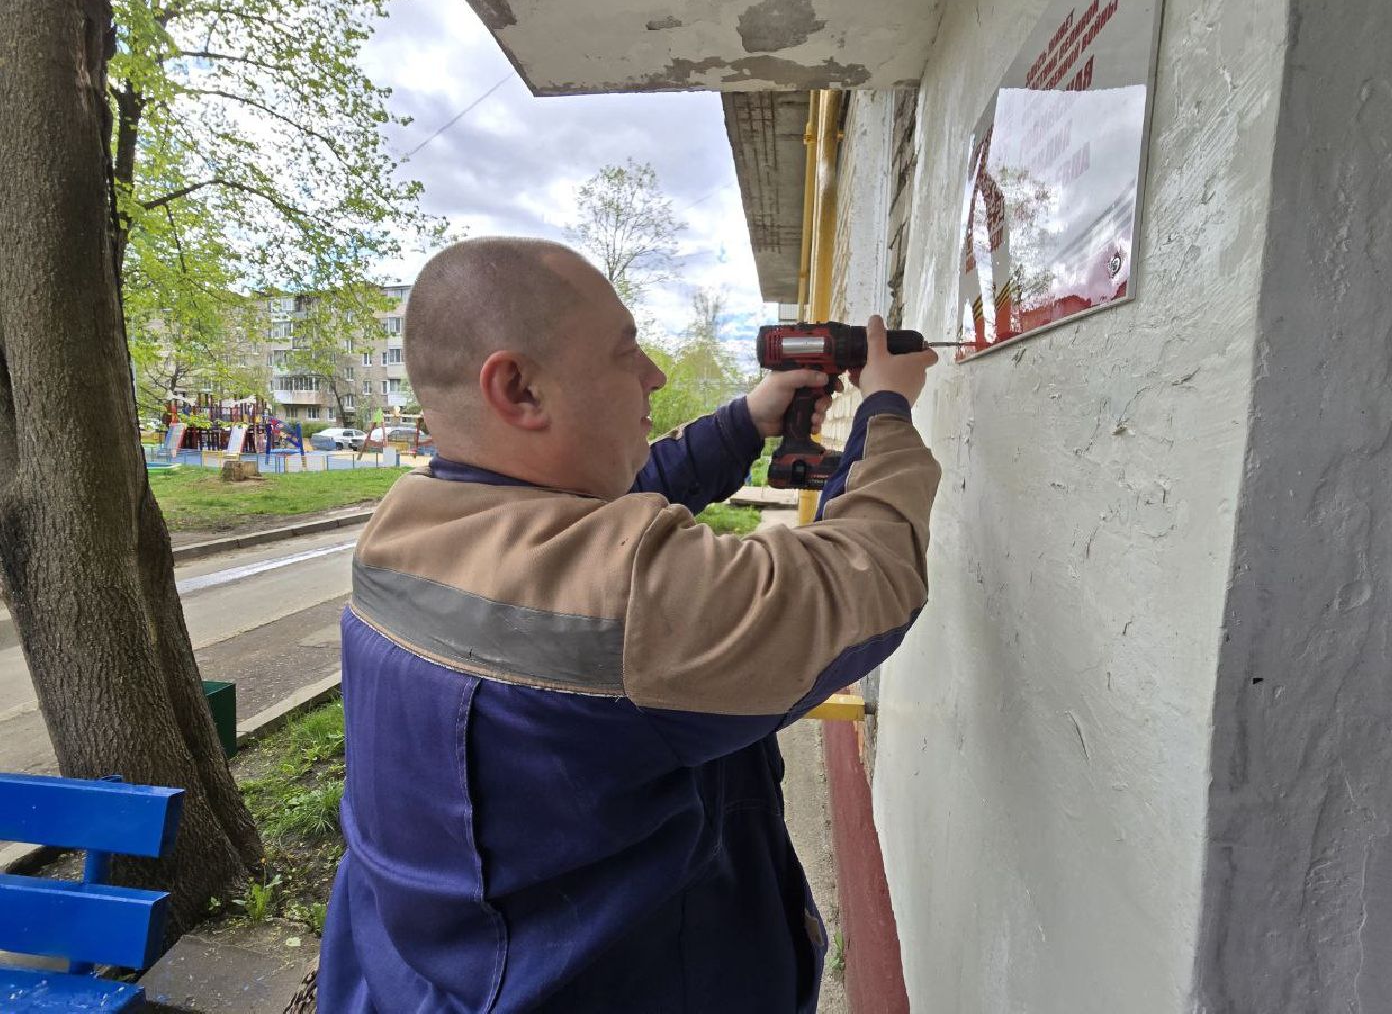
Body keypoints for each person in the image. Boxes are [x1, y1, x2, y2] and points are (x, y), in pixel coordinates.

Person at [319, 238, 941, 1013]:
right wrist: (886, 412)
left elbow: (593, 516)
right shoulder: (629, 598)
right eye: (626, 352)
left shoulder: (406, 526)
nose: (655, 374)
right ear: (518, 389)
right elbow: (866, 577)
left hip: (409, 979)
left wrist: (748, 421)